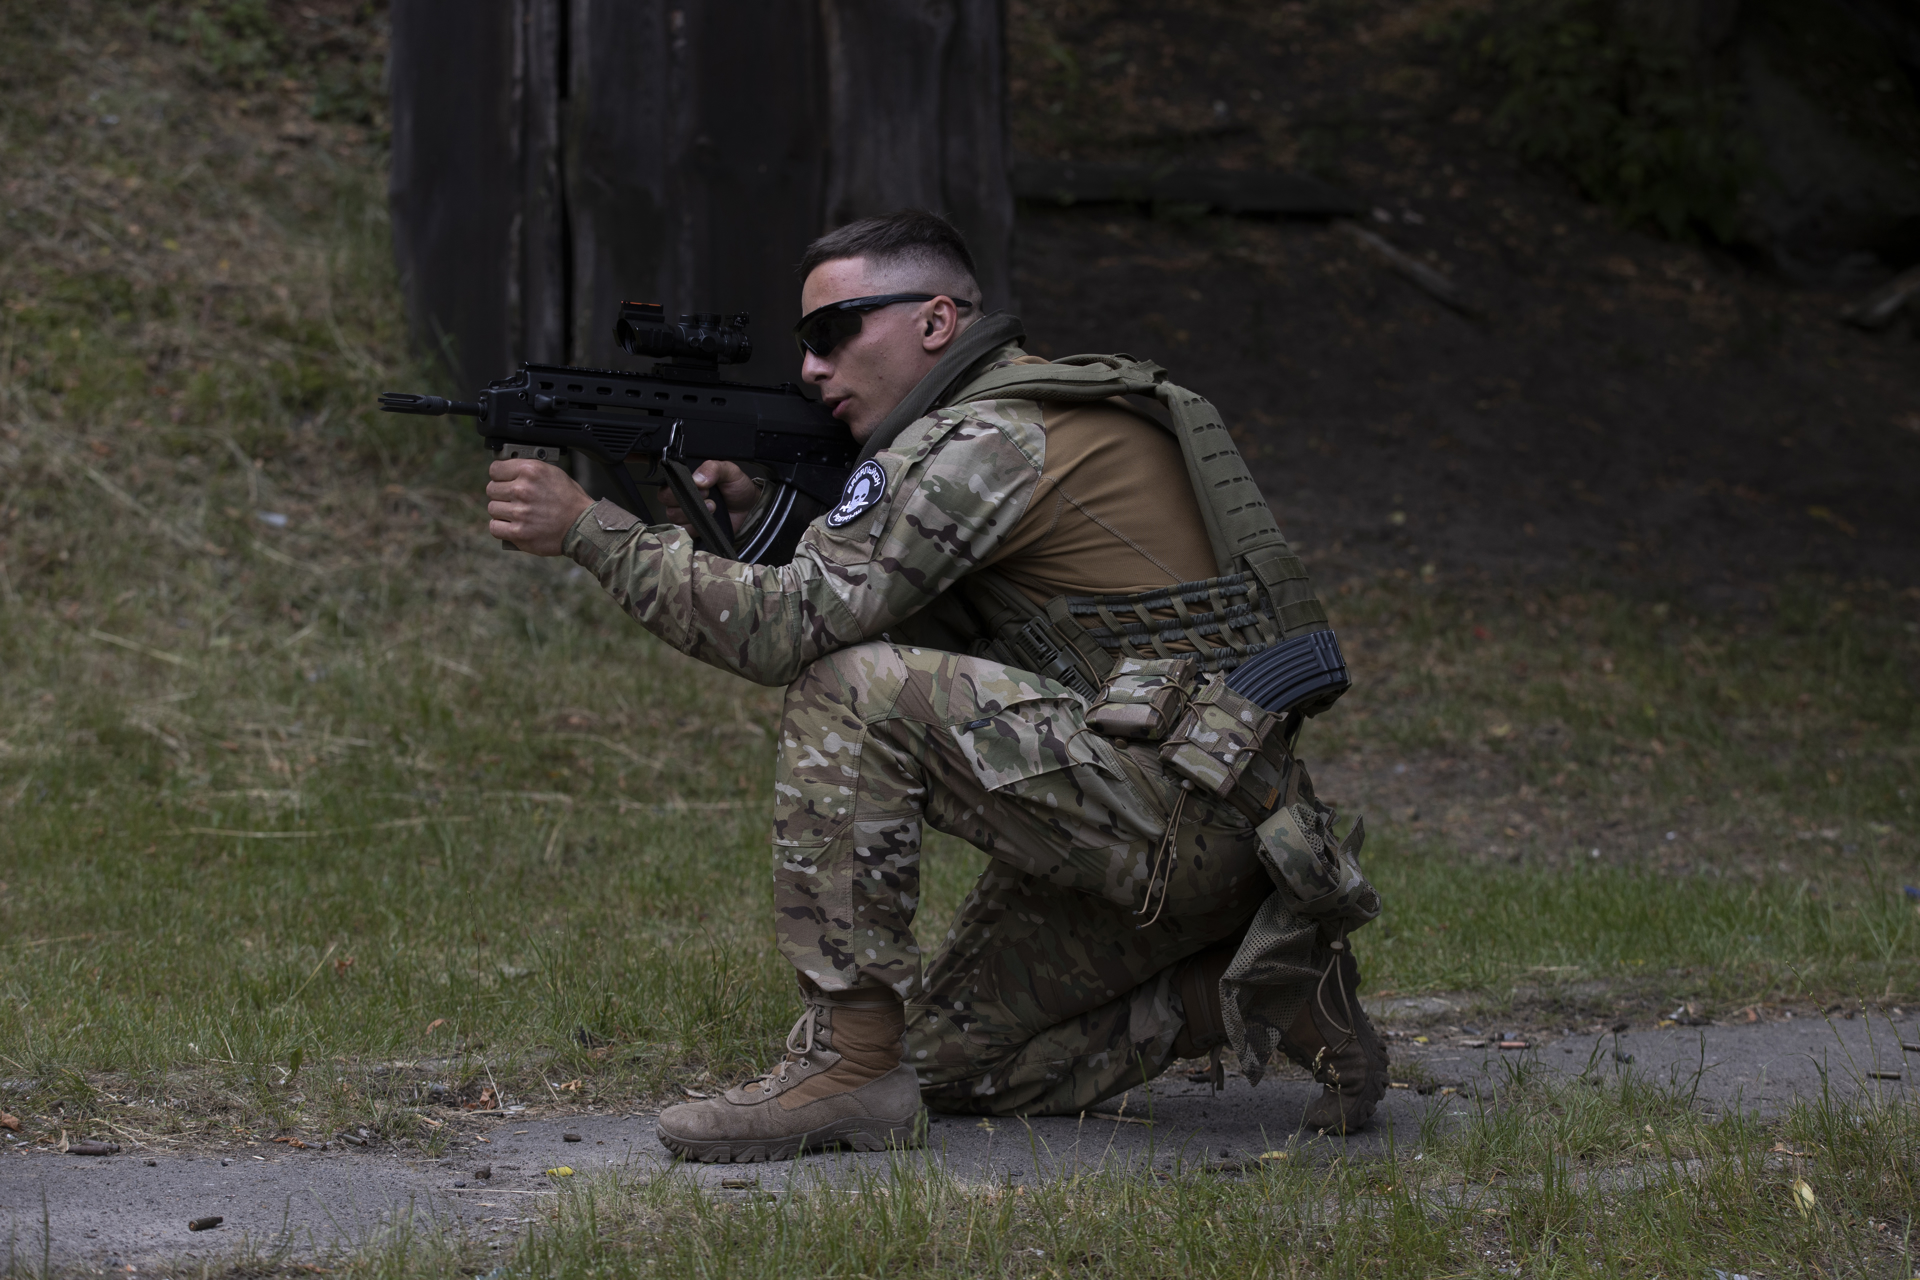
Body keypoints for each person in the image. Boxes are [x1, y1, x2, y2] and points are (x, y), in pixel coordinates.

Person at [483, 209, 1387, 1164]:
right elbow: (892, 602)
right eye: (806, 341)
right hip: (1200, 824)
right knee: (946, 1067)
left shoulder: (991, 438)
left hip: (1172, 820)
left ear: (936, 321)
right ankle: (1257, 992)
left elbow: (790, 630)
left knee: (852, 688)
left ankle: (847, 1065)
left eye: (835, 332)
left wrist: (590, 529)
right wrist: (758, 518)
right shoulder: (1029, 418)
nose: (812, 367)